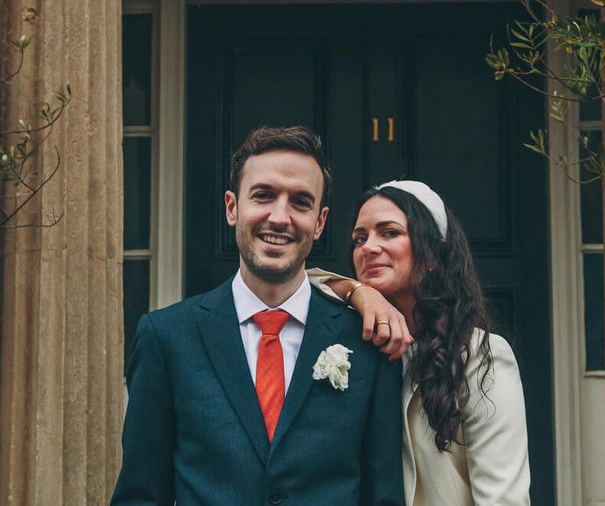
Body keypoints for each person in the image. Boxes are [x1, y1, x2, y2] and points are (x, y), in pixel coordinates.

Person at [111, 126, 405, 506]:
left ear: (320, 222)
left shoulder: (366, 344)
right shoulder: (166, 337)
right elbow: (140, 494)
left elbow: (383, 495)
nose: (279, 217)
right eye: (263, 196)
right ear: (233, 207)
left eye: (300, 202)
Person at [309, 180, 530, 506]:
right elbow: (296, 284)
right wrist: (358, 292)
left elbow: (503, 498)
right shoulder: (357, 340)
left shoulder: (480, 356)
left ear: (434, 253)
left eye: (389, 232)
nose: (368, 247)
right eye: (360, 238)